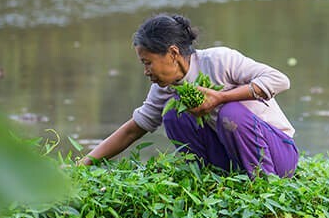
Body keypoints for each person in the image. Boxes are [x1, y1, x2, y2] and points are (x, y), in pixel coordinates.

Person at [79, 14, 298, 177]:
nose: (146, 71)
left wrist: (221, 97)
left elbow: (280, 80)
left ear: (173, 53)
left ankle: (264, 184)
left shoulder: (219, 61)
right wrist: (83, 165)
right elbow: (133, 130)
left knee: (230, 112)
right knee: (174, 113)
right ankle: (213, 178)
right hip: (233, 160)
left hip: (279, 156)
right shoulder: (165, 87)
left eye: (148, 63)